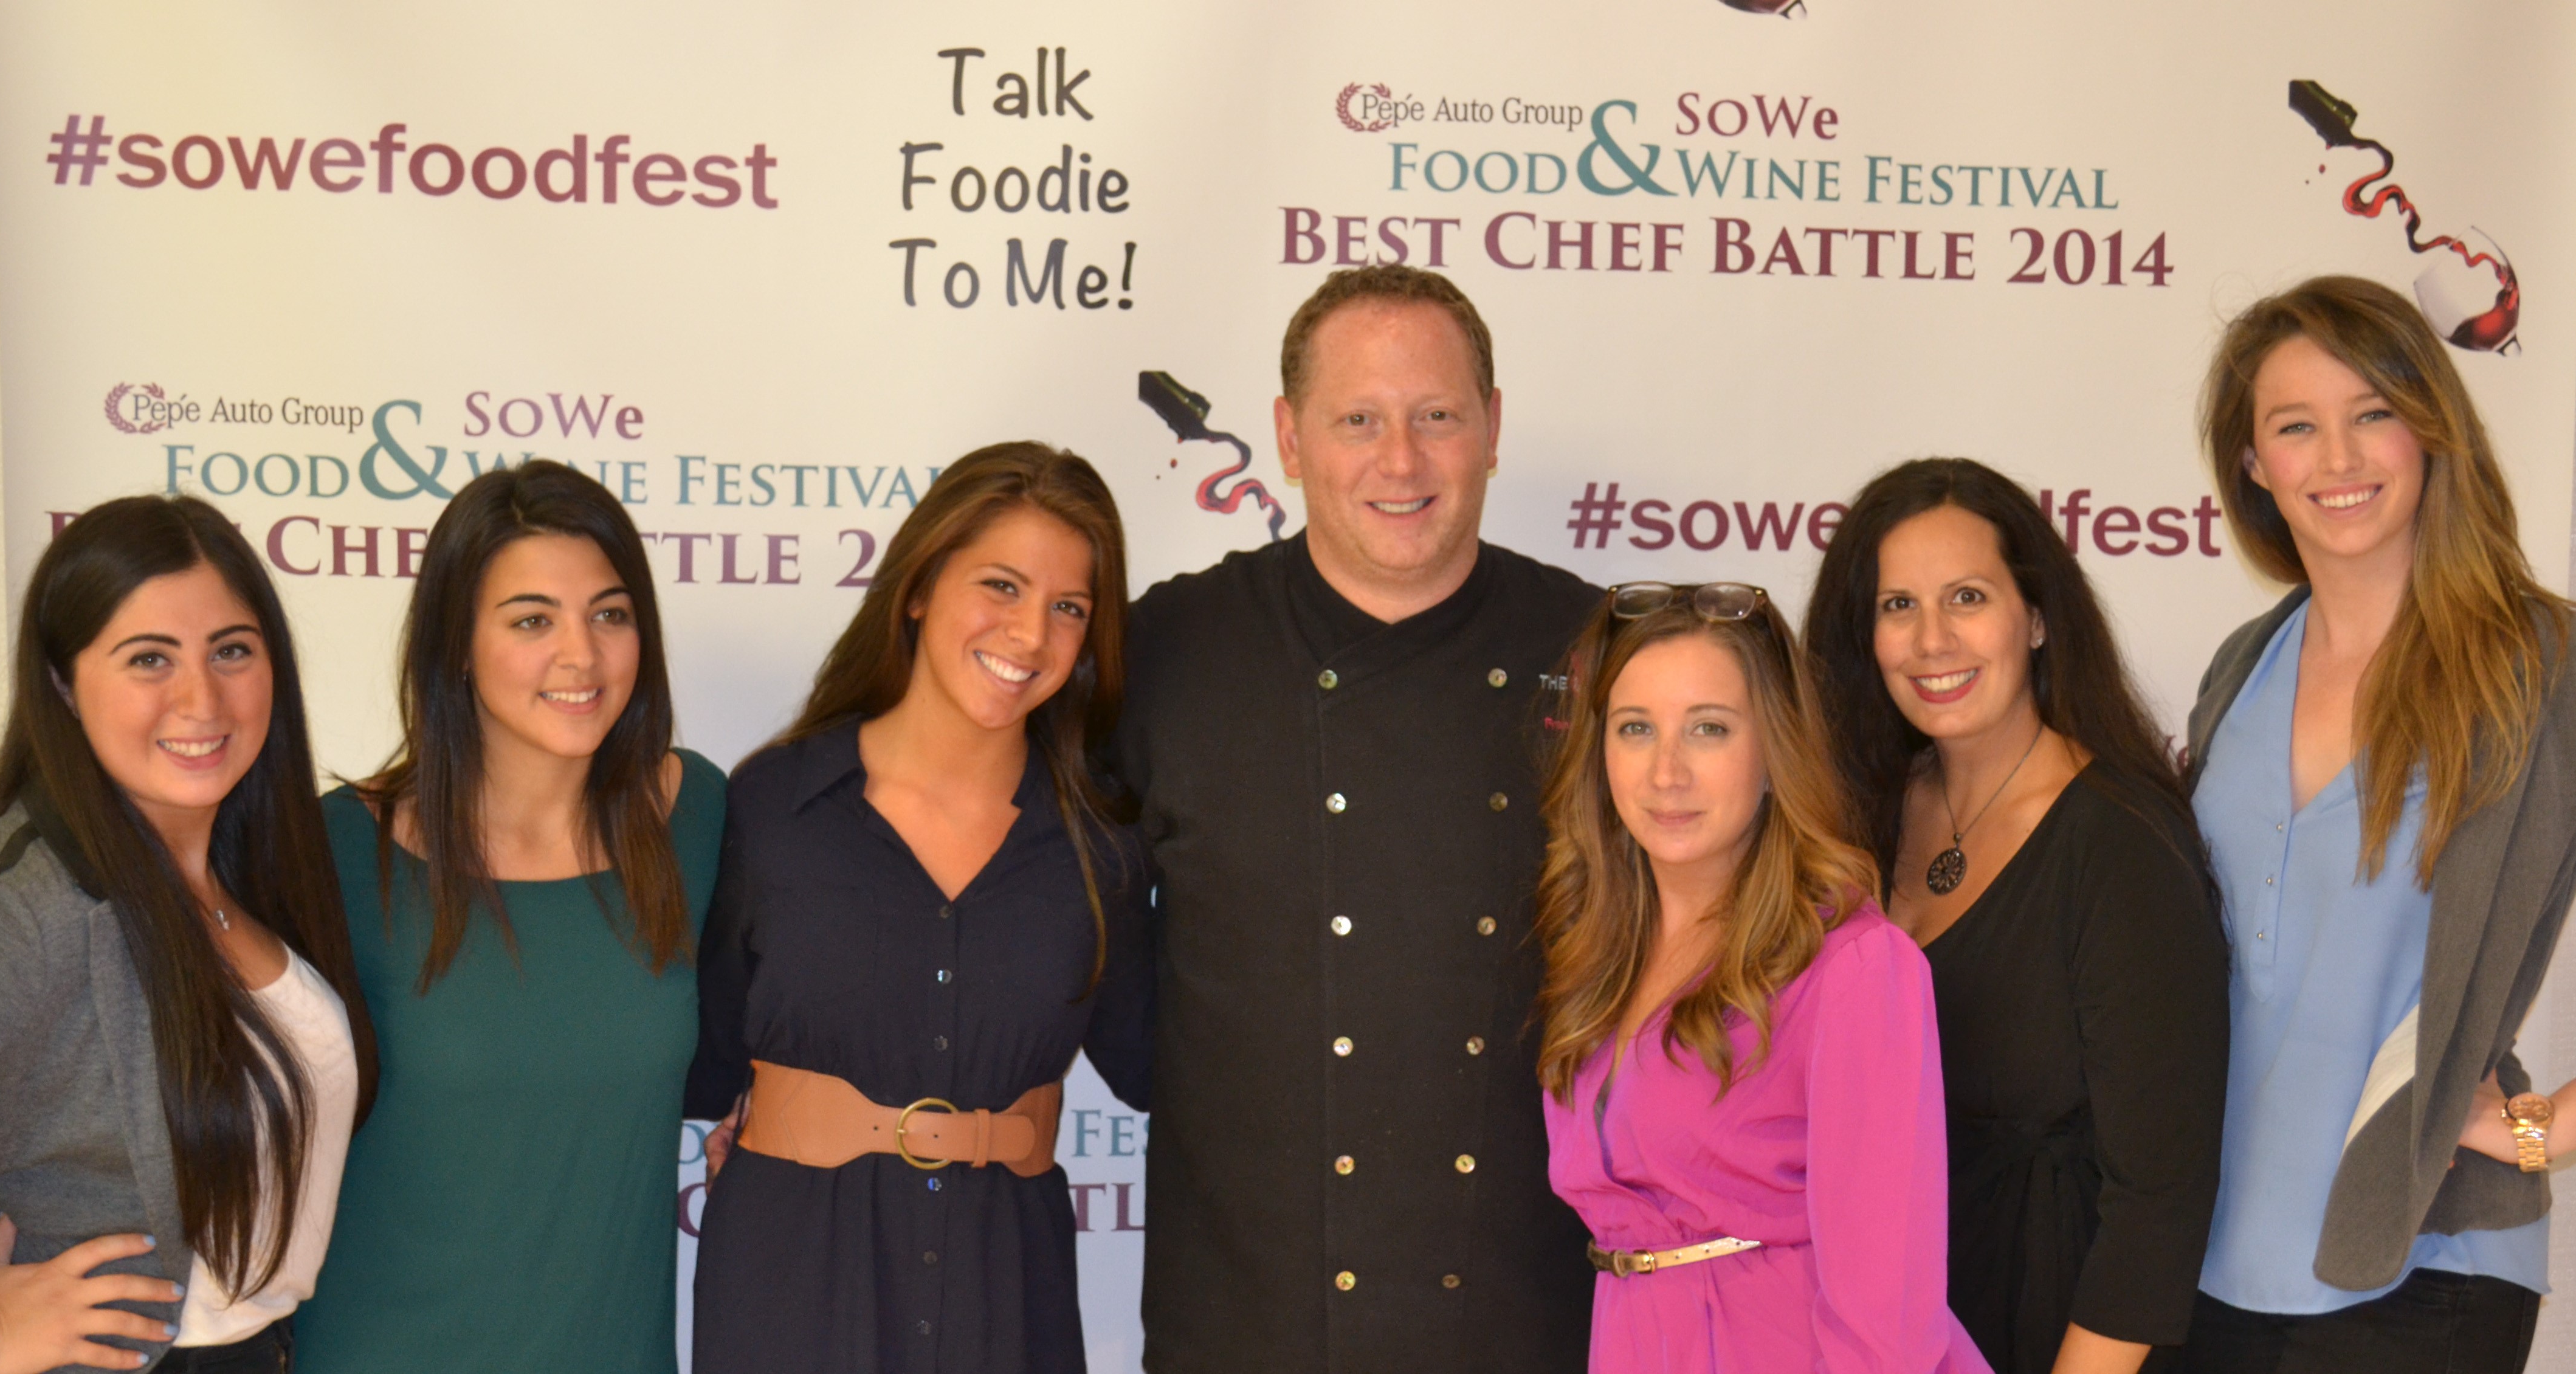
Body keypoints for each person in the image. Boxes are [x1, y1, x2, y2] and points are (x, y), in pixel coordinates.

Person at [2175, 275, 2576, 1371]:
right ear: (2253, 465)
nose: (2339, 458)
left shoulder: (2558, 664)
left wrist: (2548, 1128)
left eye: (2373, 412)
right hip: (2207, 1259)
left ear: (2432, 430)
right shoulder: (2243, 666)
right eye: (2296, 426)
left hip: (2425, 1265)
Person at [1110, 263, 1600, 1373]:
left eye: (1438, 417)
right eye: (1358, 421)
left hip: (1531, 1315)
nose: (1401, 461)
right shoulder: (1170, 653)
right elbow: (1053, 915)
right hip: (1246, 1318)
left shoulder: (1604, 656)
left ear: (1492, 429)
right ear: (1289, 439)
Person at [683, 442, 1154, 1373]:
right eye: (1002, 586)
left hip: (1007, 1301)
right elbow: (696, 1059)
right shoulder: (774, 807)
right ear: (917, 588)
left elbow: (1158, 1066)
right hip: (789, 1292)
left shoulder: (1101, 846)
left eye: (1069, 607)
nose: (1031, 635)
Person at [0, 495, 374, 1374]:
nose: (202, 698)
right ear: (63, 685)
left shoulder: (256, 871)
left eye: (231, 651)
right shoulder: (25, 913)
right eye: (149, 659)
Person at [293, 461, 723, 1374]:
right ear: (456, 643)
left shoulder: (698, 818)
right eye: (532, 620)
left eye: (610, 614)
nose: (582, 656)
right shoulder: (335, 853)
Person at [1801, 458, 2228, 1374]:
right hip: (1889, 1338)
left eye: (1967, 597)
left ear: (2036, 618)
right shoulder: (1853, 827)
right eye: (1898, 606)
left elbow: (2159, 1198)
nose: (1932, 640)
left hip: (2060, 1336)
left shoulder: (2119, 839)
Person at [1535, 581, 1988, 1374]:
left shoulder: (1854, 969)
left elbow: (1887, 1319)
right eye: (1636, 728)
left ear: (1774, 754)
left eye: (1709, 729)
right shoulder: (1600, 955)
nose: (1666, 772)